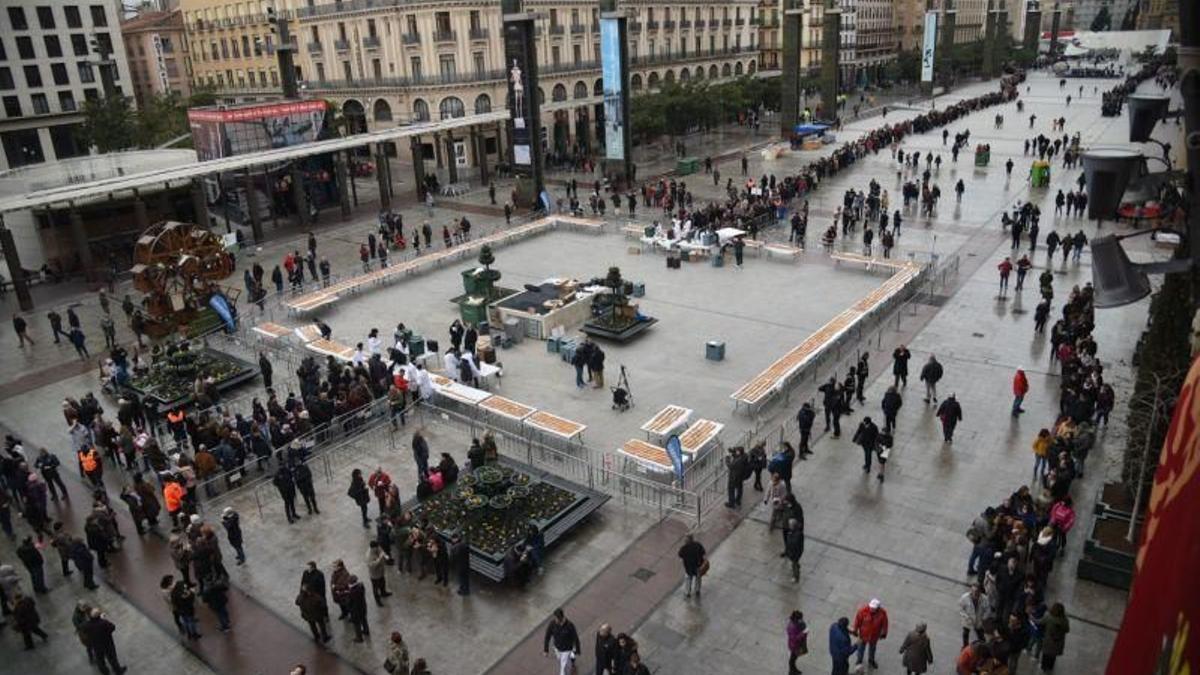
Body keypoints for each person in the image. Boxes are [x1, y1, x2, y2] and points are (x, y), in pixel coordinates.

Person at [851, 598, 889, 669]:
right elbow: (857, 621)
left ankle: (871, 661)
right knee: (861, 648)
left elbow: (885, 624)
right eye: (871, 607)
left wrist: (884, 633)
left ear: (878, 608)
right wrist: (855, 630)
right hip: (863, 635)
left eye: (874, 608)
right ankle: (859, 660)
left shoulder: (882, 613)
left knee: (872, 649)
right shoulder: (862, 611)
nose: (872, 609)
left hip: (874, 636)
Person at [543, 608, 582, 675]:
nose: (555, 620)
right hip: (557, 648)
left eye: (556, 618)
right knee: (561, 661)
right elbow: (547, 636)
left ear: (560, 618)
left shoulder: (570, 625)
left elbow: (576, 638)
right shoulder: (552, 624)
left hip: (567, 649)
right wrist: (546, 650)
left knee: (563, 667)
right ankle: (572, 660)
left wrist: (578, 650)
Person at [1039, 602, 1070, 671]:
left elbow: (1040, 622)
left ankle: (1044, 667)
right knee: (1053, 656)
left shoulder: (1048, 617)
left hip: (1048, 641)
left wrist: (1032, 618)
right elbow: (1067, 630)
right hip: (1058, 642)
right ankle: (1050, 667)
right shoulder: (1065, 620)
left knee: (1046, 655)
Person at [959, 583, 991, 647]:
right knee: (965, 633)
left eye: (976, 591)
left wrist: (983, 618)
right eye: (973, 591)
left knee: (980, 634)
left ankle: (983, 646)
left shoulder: (985, 599)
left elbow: (988, 610)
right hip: (968, 619)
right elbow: (961, 608)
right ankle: (965, 646)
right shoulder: (965, 597)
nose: (974, 593)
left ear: (980, 592)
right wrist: (966, 617)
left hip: (979, 620)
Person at [678, 534, 706, 598]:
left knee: (688, 579)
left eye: (685, 539)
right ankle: (697, 590)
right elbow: (703, 552)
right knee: (698, 578)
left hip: (688, 567)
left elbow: (680, 555)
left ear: (687, 540)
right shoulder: (698, 545)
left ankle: (688, 592)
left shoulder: (684, 548)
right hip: (698, 565)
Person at [786, 610, 808, 675]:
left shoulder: (798, 623)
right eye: (800, 619)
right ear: (796, 619)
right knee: (793, 658)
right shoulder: (791, 627)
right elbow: (794, 639)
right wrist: (803, 633)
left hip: (798, 644)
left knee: (795, 657)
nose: (802, 620)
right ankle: (791, 671)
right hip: (794, 645)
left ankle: (793, 669)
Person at [784, 518, 805, 583]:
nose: (789, 526)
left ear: (793, 526)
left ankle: (796, 577)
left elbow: (794, 542)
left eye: (790, 525)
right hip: (791, 551)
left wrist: (789, 536)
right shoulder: (792, 532)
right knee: (794, 563)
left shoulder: (798, 534)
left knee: (794, 565)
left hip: (795, 553)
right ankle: (797, 566)